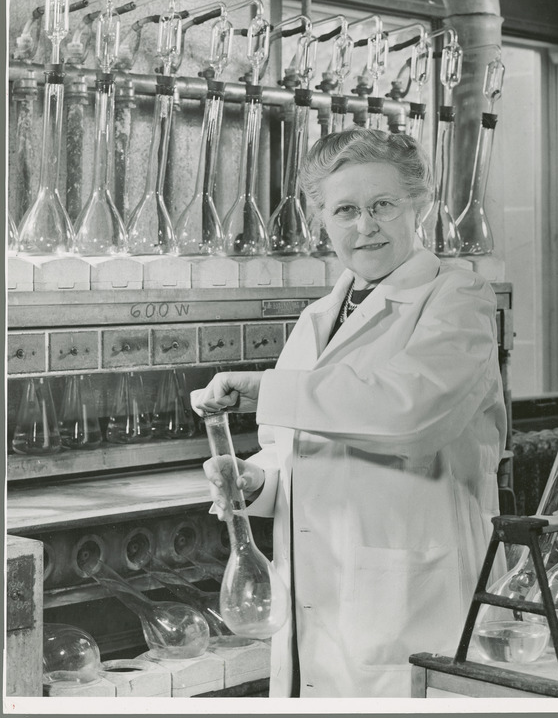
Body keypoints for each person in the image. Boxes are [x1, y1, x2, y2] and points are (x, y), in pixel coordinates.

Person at [190, 127, 507, 699]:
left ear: (420, 205)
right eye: (345, 210)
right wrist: (255, 480)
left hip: (416, 601)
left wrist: (268, 389)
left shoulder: (458, 299)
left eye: (383, 205)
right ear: (321, 221)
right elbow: (296, 450)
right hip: (320, 604)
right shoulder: (318, 318)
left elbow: (411, 413)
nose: (365, 227)